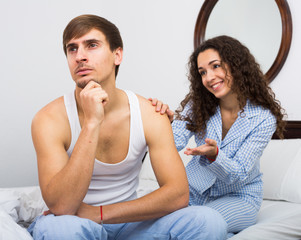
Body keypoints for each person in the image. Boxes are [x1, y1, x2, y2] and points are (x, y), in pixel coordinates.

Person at [27, 15, 228, 240]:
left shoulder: (149, 113)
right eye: (72, 49)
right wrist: (92, 123)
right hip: (74, 222)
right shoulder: (48, 119)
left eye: (92, 45)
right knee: (59, 230)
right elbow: (62, 206)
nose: (80, 56)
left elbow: (178, 194)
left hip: (127, 223)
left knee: (209, 222)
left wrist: (99, 213)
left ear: (117, 55)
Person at [150, 35, 285, 236]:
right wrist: (158, 122)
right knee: (144, 216)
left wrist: (214, 155)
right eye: (202, 72)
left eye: (215, 66)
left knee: (195, 222)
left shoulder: (263, 118)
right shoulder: (198, 105)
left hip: (239, 198)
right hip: (192, 192)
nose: (209, 77)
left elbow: (238, 173)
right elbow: (173, 141)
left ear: (237, 65)